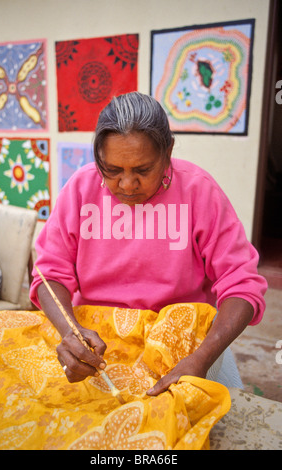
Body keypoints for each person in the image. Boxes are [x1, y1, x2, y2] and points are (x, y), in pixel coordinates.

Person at [30, 91, 267, 396]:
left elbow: (242, 284)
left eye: (142, 170)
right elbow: (49, 274)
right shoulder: (80, 188)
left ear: (167, 152)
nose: (127, 185)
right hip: (99, 347)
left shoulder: (198, 191)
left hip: (182, 347)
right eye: (112, 170)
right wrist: (70, 331)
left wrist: (202, 358)